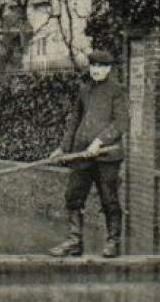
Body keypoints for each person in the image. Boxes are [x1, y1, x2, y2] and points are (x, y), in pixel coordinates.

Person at [48, 49, 127, 258]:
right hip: (81, 154)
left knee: (108, 198)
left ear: (109, 68)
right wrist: (63, 148)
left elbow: (120, 123)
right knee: (73, 195)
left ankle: (113, 243)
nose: (97, 70)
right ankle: (74, 242)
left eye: (101, 67)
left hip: (107, 156)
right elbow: (75, 120)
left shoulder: (117, 90)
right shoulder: (84, 90)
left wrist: (100, 141)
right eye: (94, 66)